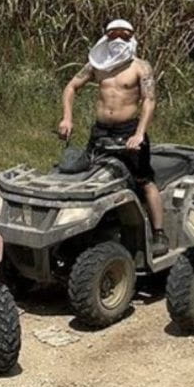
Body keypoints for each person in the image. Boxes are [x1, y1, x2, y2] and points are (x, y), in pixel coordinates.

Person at [58, 19, 168, 256]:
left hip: (128, 130)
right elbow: (71, 87)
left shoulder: (140, 67)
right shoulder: (97, 65)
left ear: (132, 37)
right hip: (100, 130)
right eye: (113, 34)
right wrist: (67, 118)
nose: (118, 39)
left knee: (144, 180)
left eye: (124, 35)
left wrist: (139, 133)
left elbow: (149, 100)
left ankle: (159, 232)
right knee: (86, 175)